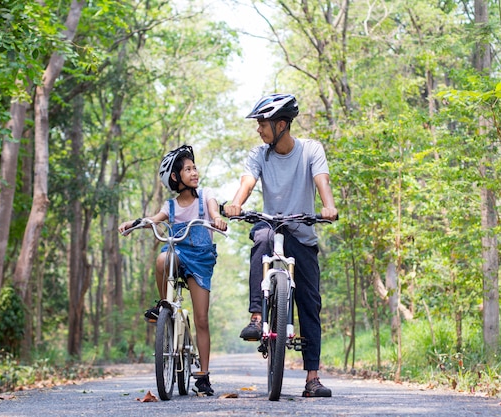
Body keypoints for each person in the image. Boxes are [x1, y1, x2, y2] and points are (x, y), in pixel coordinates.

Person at [223, 93, 338, 398]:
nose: (259, 129)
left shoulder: (311, 149)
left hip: (302, 232)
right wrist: (236, 204)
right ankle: (257, 317)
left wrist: (328, 205)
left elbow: (321, 180)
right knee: (260, 237)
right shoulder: (260, 154)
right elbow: (247, 183)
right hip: (271, 225)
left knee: (310, 304)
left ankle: (312, 378)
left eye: (263, 123)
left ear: (282, 124)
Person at [119, 144, 227, 396]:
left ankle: (203, 375)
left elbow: (213, 210)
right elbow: (154, 220)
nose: (194, 172)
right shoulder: (171, 206)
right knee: (161, 258)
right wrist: (134, 223)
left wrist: (217, 218)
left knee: (201, 318)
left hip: (201, 259)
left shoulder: (206, 195)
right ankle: (164, 305)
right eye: (187, 169)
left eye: (194, 167)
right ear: (176, 177)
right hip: (179, 254)